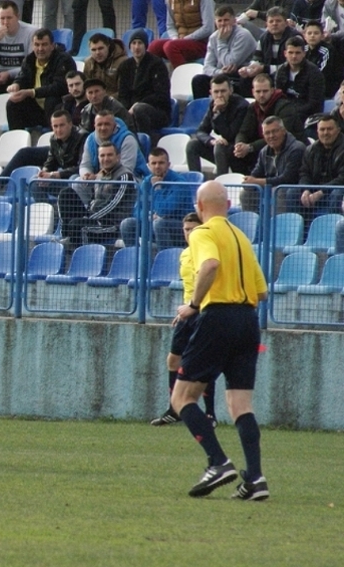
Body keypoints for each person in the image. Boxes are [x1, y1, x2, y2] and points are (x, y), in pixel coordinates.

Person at [172, 180, 268, 501]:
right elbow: (262, 291)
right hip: (248, 320)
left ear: (200, 208)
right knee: (240, 404)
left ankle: (218, 461)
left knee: (182, 398)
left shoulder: (202, 233)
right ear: (227, 205)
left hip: (218, 317)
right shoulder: (241, 237)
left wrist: (193, 305)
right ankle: (255, 478)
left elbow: (210, 265)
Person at [150, 211, 217, 426]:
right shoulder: (185, 254)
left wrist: (196, 307)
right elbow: (190, 287)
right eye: (186, 230)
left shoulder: (207, 252)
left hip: (204, 311)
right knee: (173, 359)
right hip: (188, 311)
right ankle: (174, 409)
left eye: (192, 229)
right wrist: (183, 311)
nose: (188, 233)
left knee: (205, 363)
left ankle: (210, 414)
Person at [0, 108, 85, 200]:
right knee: (35, 181)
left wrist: (53, 175)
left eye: (62, 125)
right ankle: (46, 217)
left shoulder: (82, 138)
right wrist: (44, 173)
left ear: (70, 124)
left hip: (76, 179)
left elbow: (81, 168)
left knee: (73, 179)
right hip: (62, 175)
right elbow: (51, 160)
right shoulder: (54, 139)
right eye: (55, 126)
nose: (58, 130)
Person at [59, 141, 136, 248]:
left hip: (111, 224)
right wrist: (89, 216)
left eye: (109, 155)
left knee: (77, 225)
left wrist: (90, 218)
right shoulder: (99, 175)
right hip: (94, 218)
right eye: (102, 155)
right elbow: (93, 199)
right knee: (66, 194)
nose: (106, 159)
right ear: (98, 158)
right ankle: (66, 236)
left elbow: (113, 205)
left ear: (118, 157)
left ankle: (82, 259)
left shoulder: (125, 176)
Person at [119, 147, 196, 250]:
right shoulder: (146, 182)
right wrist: (147, 217)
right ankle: (135, 260)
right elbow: (137, 210)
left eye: (161, 163)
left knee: (159, 223)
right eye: (154, 163)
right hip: (153, 223)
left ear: (168, 165)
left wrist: (157, 189)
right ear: (148, 166)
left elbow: (164, 211)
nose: (157, 166)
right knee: (127, 223)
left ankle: (164, 260)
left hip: (180, 228)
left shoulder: (179, 183)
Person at [5, 27, 76, 131]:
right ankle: (16, 137)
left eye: (44, 44)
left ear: (52, 46)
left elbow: (60, 87)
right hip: (36, 109)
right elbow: (22, 76)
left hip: (58, 106)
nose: (40, 49)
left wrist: (32, 92)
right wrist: (16, 84)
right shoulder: (29, 60)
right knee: (13, 102)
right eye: (37, 45)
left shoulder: (64, 60)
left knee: (51, 100)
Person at [186, 74, 251, 176]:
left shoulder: (242, 106)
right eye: (216, 92)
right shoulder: (213, 104)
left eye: (223, 91)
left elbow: (230, 135)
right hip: (224, 149)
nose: (219, 95)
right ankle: (195, 183)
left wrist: (218, 114)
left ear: (231, 90)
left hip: (240, 152)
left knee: (219, 147)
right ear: (211, 93)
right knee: (192, 145)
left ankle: (220, 184)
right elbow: (200, 131)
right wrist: (211, 141)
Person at [234, 73, 302, 170]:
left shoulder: (285, 107)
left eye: (265, 91)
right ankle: (246, 182)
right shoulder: (253, 107)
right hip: (264, 148)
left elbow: (280, 136)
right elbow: (243, 131)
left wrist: (249, 147)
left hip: (288, 150)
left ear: (272, 90)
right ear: (253, 92)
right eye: (258, 91)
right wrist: (239, 144)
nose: (261, 95)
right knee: (231, 151)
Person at [191, 5, 256, 100]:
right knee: (198, 80)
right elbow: (207, 68)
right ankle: (205, 110)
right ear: (215, 22)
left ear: (234, 21)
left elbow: (229, 63)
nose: (223, 24)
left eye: (226, 20)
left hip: (240, 75)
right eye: (219, 21)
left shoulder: (243, 35)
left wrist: (222, 41)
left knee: (243, 80)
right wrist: (220, 72)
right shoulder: (213, 37)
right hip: (222, 74)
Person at [242, 115, 305, 213]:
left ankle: (274, 226)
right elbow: (256, 172)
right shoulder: (264, 151)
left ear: (283, 131)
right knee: (246, 193)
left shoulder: (297, 149)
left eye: (275, 131)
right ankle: (255, 225)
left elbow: (288, 178)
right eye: (267, 133)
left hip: (291, 190)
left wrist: (257, 181)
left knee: (277, 191)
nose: (271, 136)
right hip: (272, 187)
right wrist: (249, 181)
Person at [0, 1, 37, 100]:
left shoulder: (31, 31)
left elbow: (32, 64)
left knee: (31, 75)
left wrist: (9, 73)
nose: (5, 22)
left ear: (17, 16)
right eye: (2, 18)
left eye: (9, 18)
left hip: (21, 76)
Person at [116, 29, 171, 138]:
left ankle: (145, 143)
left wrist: (137, 104)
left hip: (157, 111)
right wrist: (126, 110)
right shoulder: (125, 66)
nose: (137, 47)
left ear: (146, 45)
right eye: (134, 43)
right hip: (131, 110)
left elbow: (161, 95)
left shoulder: (157, 64)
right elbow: (123, 94)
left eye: (140, 43)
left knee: (139, 109)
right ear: (130, 46)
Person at [288, 114, 344, 221]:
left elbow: (342, 178)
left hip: (334, 192)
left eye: (329, 129)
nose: (326, 133)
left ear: (338, 130)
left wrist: (321, 192)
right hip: (315, 192)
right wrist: (306, 190)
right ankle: (301, 233)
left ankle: (331, 231)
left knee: (338, 193)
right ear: (317, 132)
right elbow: (304, 173)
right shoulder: (310, 150)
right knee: (292, 192)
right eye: (322, 129)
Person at [78, 110, 148, 180]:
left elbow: (126, 170)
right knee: (77, 181)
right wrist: (86, 175)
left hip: (130, 178)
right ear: (95, 126)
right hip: (99, 179)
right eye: (99, 124)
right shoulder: (90, 139)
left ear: (114, 125)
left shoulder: (128, 139)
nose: (103, 128)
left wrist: (97, 177)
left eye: (107, 124)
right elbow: (85, 165)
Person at [273, 36, 325, 129]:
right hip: (286, 111)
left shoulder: (314, 73)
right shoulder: (281, 71)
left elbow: (314, 103)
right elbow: (278, 96)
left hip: (308, 116)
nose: (294, 56)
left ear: (304, 54)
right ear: (285, 53)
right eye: (290, 52)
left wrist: (292, 111)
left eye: (297, 53)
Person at [147, 0, 214, 69]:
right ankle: (155, 77)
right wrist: (175, 38)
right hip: (180, 41)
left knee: (170, 47)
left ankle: (183, 76)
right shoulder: (171, 1)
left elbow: (208, 28)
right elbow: (170, 26)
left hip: (202, 42)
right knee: (154, 46)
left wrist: (186, 39)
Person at [303, 19, 344, 99]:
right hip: (307, 86)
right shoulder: (303, 50)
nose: (312, 36)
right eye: (309, 33)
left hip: (326, 90)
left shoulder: (327, 50)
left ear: (322, 36)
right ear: (304, 36)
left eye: (316, 33)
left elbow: (321, 75)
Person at [82, 33, 127, 98]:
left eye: (100, 48)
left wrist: (105, 100)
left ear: (108, 46)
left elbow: (123, 91)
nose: (97, 53)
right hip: (94, 100)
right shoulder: (88, 62)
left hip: (116, 102)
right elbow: (86, 87)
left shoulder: (123, 62)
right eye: (93, 50)